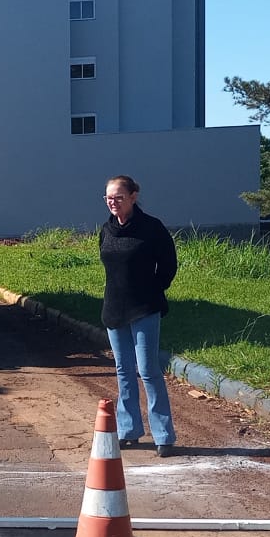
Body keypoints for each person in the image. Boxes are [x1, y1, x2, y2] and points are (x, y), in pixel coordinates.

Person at [98, 175, 178, 457]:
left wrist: (153, 290)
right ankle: (129, 430)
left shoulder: (151, 228)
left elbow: (168, 265)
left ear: (134, 196)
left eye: (119, 197)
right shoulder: (107, 230)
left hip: (144, 308)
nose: (113, 202)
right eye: (109, 197)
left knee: (148, 370)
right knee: (123, 370)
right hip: (114, 310)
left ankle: (164, 435)